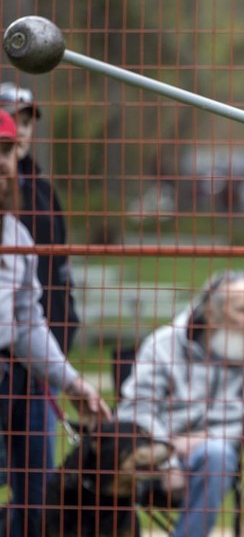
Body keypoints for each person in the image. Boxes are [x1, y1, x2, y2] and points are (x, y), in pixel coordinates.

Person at [0, 108, 112, 535]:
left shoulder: (17, 237)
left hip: (11, 377)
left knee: (35, 500)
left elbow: (27, 323)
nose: (1, 161)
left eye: (7, 150)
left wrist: (72, 383)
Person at [117, 270, 244, 537]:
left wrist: (206, 438)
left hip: (216, 457)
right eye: (242, 311)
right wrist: (167, 456)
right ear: (211, 313)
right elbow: (134, 409)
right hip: (152, 452)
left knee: (215, 454)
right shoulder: (162, 345)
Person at [0, 81, 82, 532]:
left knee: (35, 492)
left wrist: (62, 370)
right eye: (15, 116)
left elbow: (41, 299)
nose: (24, 129)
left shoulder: (37, 202)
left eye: (27, 120)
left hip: (31, 366)